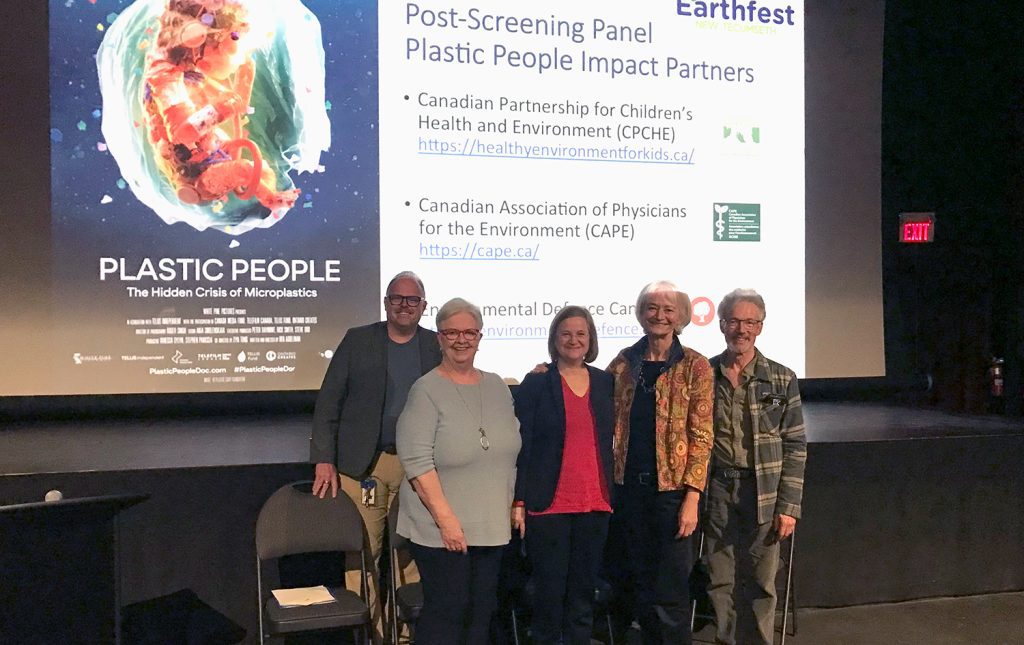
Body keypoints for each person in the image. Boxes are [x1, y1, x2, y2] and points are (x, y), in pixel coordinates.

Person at [309, 271, 441, 644]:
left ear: (423, 307)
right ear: (386, 303)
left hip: (418, 464)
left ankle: (406, 635)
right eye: (397, 298)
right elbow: (328, 402)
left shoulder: (435, 346)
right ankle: (371, 636)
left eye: (412, 300)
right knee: (365, 554)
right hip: (362, 465)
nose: (404, 305)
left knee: (411, 554)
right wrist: (323, 457)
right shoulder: (358, 340)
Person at [396, 298, 521, 645]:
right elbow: (417, 464)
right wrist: (447, 522)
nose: (461, 339)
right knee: (448, 615)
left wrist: (515, 503)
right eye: (452, 332)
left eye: (469, 332)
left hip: (491, 525)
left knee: (481, 613)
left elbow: (510, 451)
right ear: (439, 338)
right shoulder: (425, 390)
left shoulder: (497, 386)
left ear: (480, 337)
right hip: (441, 530)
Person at [606, 281, 714, 645]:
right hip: (627, 493)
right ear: (641, 313)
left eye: (668, 309)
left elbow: (702, 437)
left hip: (672, 497)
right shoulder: (623, 363)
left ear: (681, 316)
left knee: (670, 592)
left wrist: (692, 499)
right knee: (635, 587)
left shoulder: (695, 366)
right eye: (652, 307)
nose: (659, 316)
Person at [705, 289, 807, 645]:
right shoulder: (703, 374)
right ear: (721, 325)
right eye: (734, 320)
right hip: (717, 490)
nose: (741, 329)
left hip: (763, 492)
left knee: (762, 582)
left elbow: (795, 445)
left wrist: (789, 507)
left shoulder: (780, 380)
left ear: (760, 327)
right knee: (720, 579)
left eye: (750, 322)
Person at [512, 306, 615, 645]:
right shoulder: (537, 382)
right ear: (555, 339)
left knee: (583, 595)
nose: (574, 340)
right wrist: (520, 499)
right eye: (566, 334)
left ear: (590, 340)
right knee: (548, 595)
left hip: (594, 504)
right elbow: (523, 445)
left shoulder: (605, 382)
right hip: (549, 504)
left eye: (581, 334)